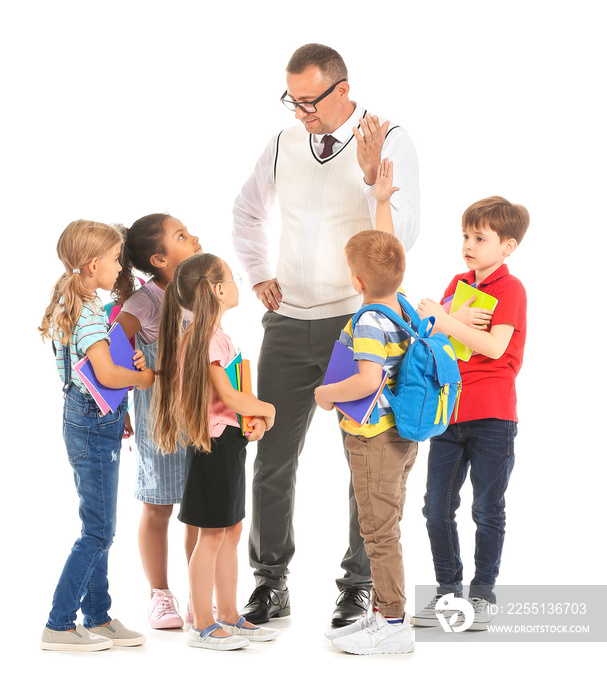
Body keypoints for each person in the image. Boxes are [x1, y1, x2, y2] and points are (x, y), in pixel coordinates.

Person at [232, 42, 420, 627]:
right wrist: (260, 273)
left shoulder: (389, 140)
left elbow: (401, 241)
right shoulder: (285, 142)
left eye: (309, 101)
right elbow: (246, 212)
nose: (299, 112)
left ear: (342, 89)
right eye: (292, 99)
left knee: (364, 463)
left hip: (355, 326)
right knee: (271, 458)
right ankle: (269, 581)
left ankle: (358, 584)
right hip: (288, 324)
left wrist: (371, 183)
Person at [152, 253, 280, 650]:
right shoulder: (205, 338)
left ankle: (228, 614)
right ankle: (203, 623)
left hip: (228, 441)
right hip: (212, 446)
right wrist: (267, 409)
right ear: (219, 290)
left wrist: (251, 419)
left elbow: (226, 398)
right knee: (211, 535)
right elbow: (227, 395)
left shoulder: (214, 336)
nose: (239, 283)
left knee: (231, 529)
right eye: (234, 277)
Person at [314, 165, 417, 655]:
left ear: (355, 279)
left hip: (373, 436)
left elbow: (369, 379)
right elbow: (385, 249)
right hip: (400, 435)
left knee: (377, 531)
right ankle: (382, 610)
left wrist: (327, 394)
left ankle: (394, 622)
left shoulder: (371, 320)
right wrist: (380, 201)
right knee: (384, 524)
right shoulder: (402, 309)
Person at [414, 196, 529, 631]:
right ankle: (448, 593)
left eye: (480, 238)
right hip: (450, 411)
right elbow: (428, 334)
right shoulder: (458, 282)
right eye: (466, 235)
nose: (469, 244)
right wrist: (446, 319)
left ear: (507, 247)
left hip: (493, 416)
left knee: (486, 507)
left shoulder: (510, 289)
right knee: (435, 507)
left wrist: (445, 319)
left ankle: (481, 596)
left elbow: (495, 346)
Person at [39, 219, 155, 651]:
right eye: (113, 259)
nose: (118, 265)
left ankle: (99, 615)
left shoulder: (75, 302)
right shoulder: (87, 312)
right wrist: (142, 380)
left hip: (89, 416)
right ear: (92, 265)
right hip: (91, 424)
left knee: (100, 523)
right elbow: (105, 372)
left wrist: (119, 393)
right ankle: (59, 623)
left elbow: (95, 373)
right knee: (98, 531)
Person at [112, 213, 202, 629]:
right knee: (159, 506)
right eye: (181, 236)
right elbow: (109, 351)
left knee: (203, 511)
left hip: (203, 420)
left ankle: (201, 594)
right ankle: (159, 594)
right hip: (160, 427)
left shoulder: (200, 291)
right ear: (159, 258)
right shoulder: (142, 303)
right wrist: (117, 404)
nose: (194, 237)